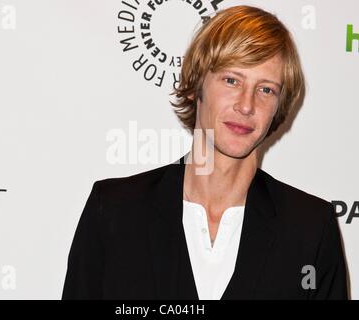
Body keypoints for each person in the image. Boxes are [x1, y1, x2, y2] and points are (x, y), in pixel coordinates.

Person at [62, 5, 348, 300]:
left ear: (279, 107)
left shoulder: (310, 228)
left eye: (266, 90)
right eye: (231, 80)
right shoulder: (114, 211)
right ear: (195, 86)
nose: (246, 105)